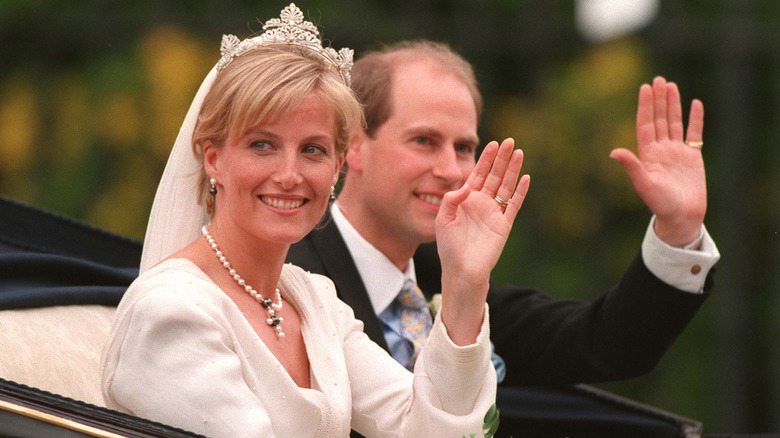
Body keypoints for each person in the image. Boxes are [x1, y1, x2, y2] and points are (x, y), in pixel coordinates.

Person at [100, 5, 528, 437]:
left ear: (339, 165)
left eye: (312, 150)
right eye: (262, 145)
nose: (289, 175)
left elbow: (430, 429)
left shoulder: (315, 303)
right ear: (214, 159)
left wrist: (464, 280)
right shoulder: (172, 312)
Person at [287, 40, 721, 389]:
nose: (451, 170)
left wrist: (678, 228)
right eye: (424, 141)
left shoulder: (453, 279)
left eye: (464, 147)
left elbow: (607, 344)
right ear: (355, 147)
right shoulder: (289, 274)